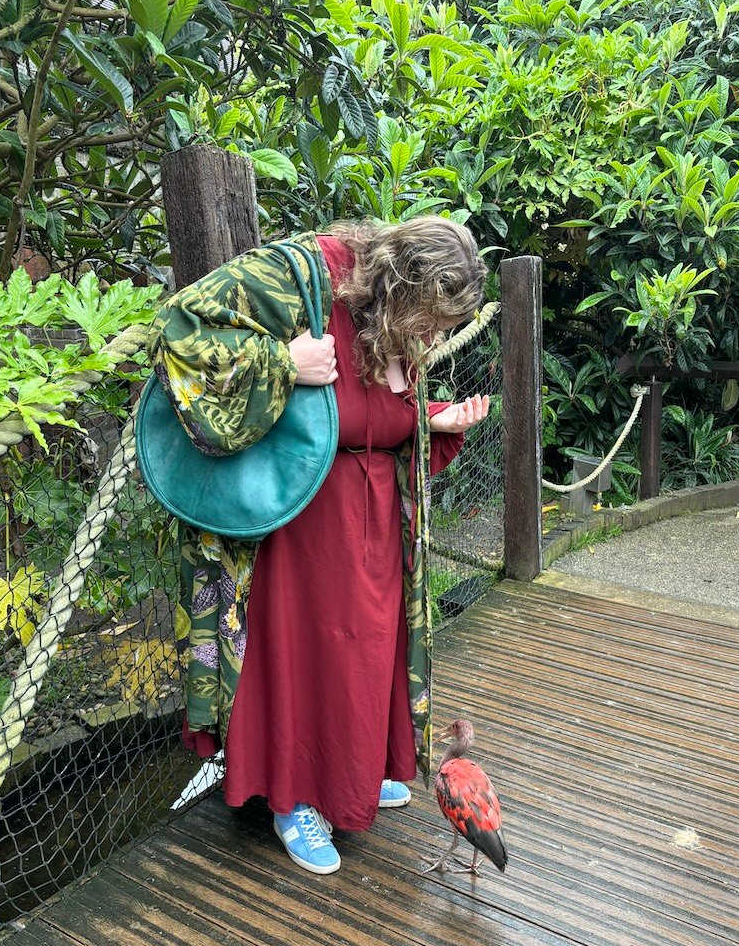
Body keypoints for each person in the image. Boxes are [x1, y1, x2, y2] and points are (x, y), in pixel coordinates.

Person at [149, 217, 489, 873]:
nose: (435, 337)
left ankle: (353, 775)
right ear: (396, 283)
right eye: (431, 319)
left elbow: (368, 409)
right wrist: (282, 363)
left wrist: (429, 418)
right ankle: (295, 799)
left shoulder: (389, 314)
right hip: (304, 526)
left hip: (376, 520)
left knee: (369, 652)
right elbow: (179, 333)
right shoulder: (304, 273)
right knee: (313, 658)